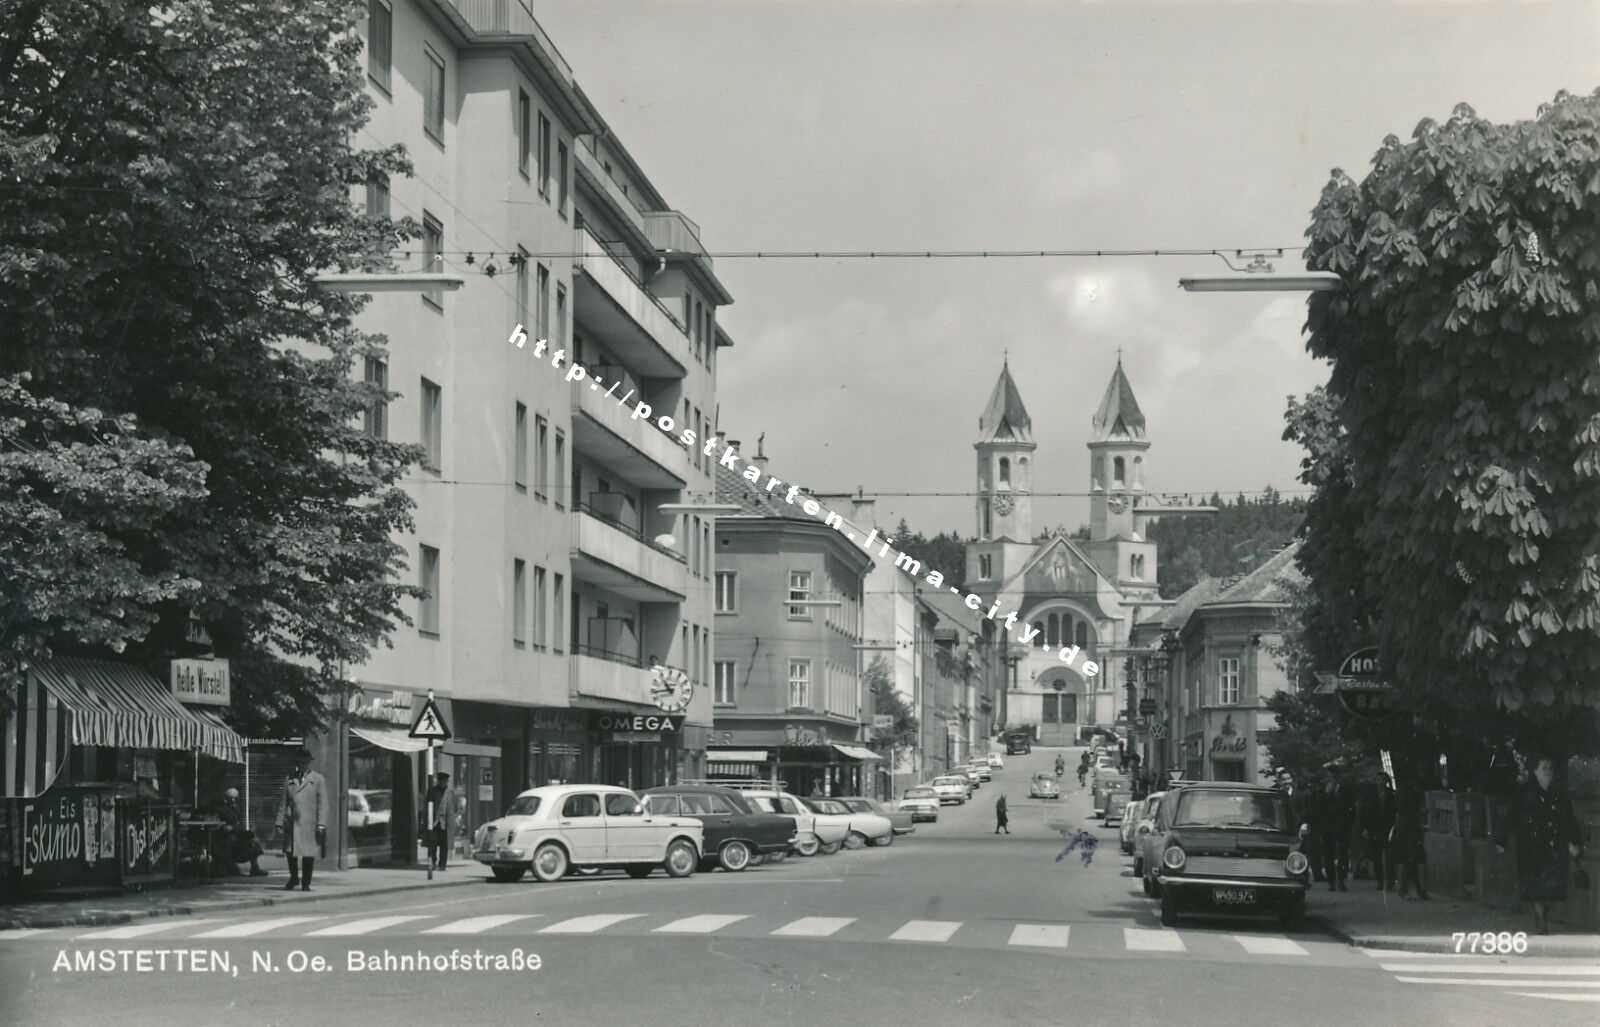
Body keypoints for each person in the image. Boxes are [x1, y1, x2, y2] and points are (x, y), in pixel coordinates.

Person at [1495, 755, 1584, 934]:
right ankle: (1540, 917)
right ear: (1535, 771)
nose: (1547, 771)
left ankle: (1543, 911)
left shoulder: (1559, 793)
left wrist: (1574, 842)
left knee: (1554, 891)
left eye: (1550, 767)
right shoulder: (1523, 792)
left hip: (1555, 848)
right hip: (1531, 848)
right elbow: (1511, 816)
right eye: (1543, 767)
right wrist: (1501, 840)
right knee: (1536, 888)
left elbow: (1569, 819)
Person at [277, 749, 328, 892]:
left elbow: (323, 804)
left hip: (309, 822)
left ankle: (306, 883)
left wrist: (321, 823)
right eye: (300, 762)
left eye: (305, 762)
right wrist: (279, 821)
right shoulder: (290, 778)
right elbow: (283, 802)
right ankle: (294, 878)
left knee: (307, 853)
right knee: (290, 852)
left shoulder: (318, 779)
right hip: (292, 821)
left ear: (309, 763)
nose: (303, 764)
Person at [1389, 780, 1429, 901]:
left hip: (1404, 831)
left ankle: (1408, 889)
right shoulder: (1412, 807)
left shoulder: (1400, 808)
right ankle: (1412, 890)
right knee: (1412, 860)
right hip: (1411, 832)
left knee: (1407, 861)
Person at [219, 788, 267, 877]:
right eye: (231, 798)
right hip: (227, 836)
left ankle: (255, 868)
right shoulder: (222, 810)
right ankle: (231, 868)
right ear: (226, 799)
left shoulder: (237, 809)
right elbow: (221, 825)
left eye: (235, 798)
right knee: (229, 842)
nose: (233, 800)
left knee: (253, 841)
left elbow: (238, 824)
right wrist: (227, 827)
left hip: (237, 834)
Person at [424, 771, 458, 871]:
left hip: (445, 822)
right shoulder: (432, 791)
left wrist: (452, 819)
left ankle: (442, 864)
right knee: (433, 843)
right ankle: (433, 862)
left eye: (446, 781)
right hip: (434, 822)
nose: (444, 783)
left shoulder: (450, 793)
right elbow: (427, 805)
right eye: (442, 781)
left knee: (444, 844)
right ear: (439, 781)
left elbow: (454, 807)